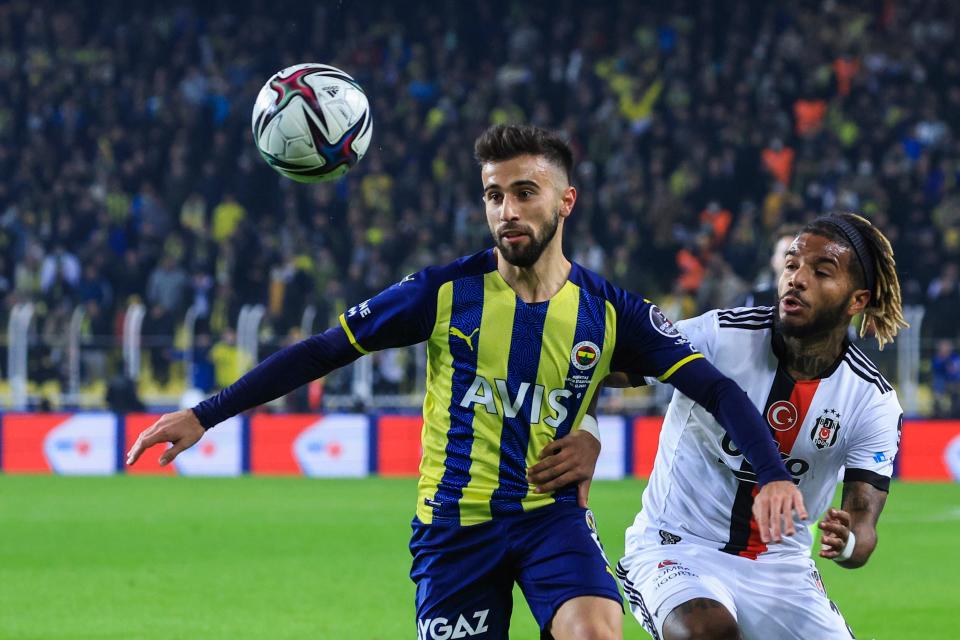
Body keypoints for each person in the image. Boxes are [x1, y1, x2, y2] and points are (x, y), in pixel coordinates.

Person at [126, 124, 804, 640]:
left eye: (523, 192)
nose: (506, 209)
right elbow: (323, 350)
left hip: (551, 523)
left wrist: (772, 472)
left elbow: (716, 389)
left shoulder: (611, 310)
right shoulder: (443, 292)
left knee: (597, 629)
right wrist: (206, 414)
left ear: (565, 201)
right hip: (454, 531)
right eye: (493, 195)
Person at [608, 213, 906, 639]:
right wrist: (586, 428)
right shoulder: (718, 336)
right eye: (791, 265)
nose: (796, 279)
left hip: (780, 567)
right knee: (705, 631)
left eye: (821, 272)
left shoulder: (871, 400)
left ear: (857, 301)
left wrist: (850, 543)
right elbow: (610, 368)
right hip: (677, 547)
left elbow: (863, 523)